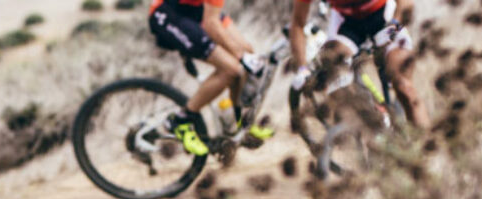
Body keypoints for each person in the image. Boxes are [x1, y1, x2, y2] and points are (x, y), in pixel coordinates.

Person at [145, 0, 274, 157]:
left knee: (247, 51)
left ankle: (238, 123)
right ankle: (180, 120)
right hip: (169, 12)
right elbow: (211, 25)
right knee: (231, 69)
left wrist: (244, 53)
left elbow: (217, 19)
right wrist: (241, 56)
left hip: (195, 10)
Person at [289, 0, 430, 129]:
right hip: (347, 24)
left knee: (404, 88)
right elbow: (297, 23)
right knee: (333, 76)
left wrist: (393, 29)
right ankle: (368, 125)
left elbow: (406, 4)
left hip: (385, 16)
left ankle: (426, 143)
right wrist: (303, 68)